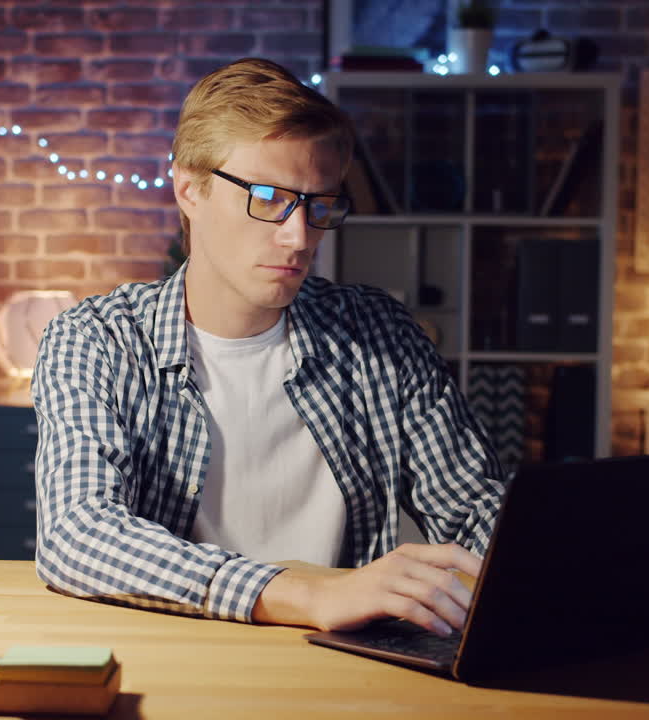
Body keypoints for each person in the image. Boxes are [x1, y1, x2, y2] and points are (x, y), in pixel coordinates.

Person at [31, 58, 505, 636]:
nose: (299, 236)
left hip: (343, 666)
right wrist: (303, 594)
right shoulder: (97, 340)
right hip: (172, 655)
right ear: (189, 190)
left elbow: (478, 511)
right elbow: (77, 533)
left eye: (319, 204)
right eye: (267, 197)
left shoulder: (379, 333)